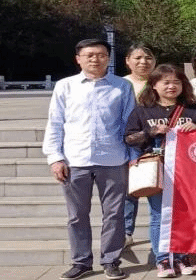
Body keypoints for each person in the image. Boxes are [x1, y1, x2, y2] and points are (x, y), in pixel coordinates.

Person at [42, 38, 136, 280]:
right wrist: (55, 158)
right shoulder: (65, 86)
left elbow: (129, 123)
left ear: (108, 58)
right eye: (90, 55)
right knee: (76, 216)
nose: (95, 59)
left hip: (113, 158)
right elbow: (55, 123)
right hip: (75, 159)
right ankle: (81, 262)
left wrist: (132, 156)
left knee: (114, 214)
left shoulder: (122, 86)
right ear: (78, 59)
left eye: (101, 55)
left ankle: (111, 260)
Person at [125, 64, 196, 278]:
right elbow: (129, 138)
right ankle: (163, 260)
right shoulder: (143, 110)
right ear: (154, 85)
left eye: (176, 82)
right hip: (158, 169)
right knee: (159, 215)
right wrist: (150, 131)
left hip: (190, 170)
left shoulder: (195, 109)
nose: (171, 86)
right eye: (165, 82)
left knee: (185, 214)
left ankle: (183, 257)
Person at [123, 43, 157, 248]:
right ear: (128, 61)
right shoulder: (121, 84)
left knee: (158, 188)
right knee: (129, 189)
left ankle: (162, 232)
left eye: (148, 58)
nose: (143, 62)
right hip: (130, 141)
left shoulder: (160, 81)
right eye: (138, 58)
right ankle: (126, 231)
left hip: (157, 142)